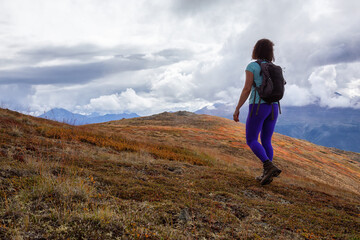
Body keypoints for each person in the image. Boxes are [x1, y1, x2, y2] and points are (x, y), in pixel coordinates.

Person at [233, 38, 282, 185]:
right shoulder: (273, 67)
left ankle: (268, 166)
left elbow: (247, 88)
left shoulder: (252, 66)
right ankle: (267, 174)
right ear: (270, 52)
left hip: (258, 106)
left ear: (256, 50)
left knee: (251, 139)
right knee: (266, 140)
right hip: (274, 107)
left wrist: (237, 108)